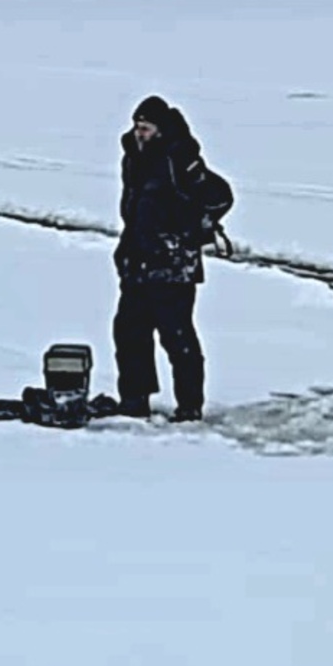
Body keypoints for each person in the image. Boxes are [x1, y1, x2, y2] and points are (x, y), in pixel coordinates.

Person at [112, 95, 230, 422]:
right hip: (137, 262)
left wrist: (191, 229)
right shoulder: (133, 158)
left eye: (146, 128)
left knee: (176, 337)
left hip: (173, 266)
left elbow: (220, 196)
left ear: (160, 130)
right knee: (129, 332)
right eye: (137, 127)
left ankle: (190, 406)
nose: (139, 133)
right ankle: (134, 401)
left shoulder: (180, 158)